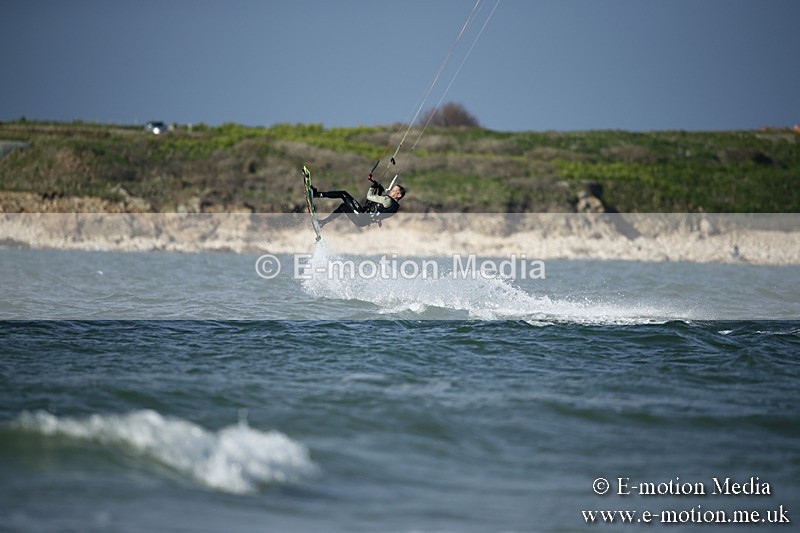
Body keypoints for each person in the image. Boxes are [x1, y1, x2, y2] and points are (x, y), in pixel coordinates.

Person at [311, 177, 406, 228]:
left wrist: (372, 187)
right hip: (362, 222)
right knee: (343, 206)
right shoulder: (394, 208)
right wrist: (379, 190)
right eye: (392, 189)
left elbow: (369, 197)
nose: (391, 191)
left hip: (361, 215)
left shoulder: (387, 200)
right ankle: (322, 223)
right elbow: (377, 207)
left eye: (394, 191)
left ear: (399, 195)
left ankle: (316, 194)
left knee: (343, 194)